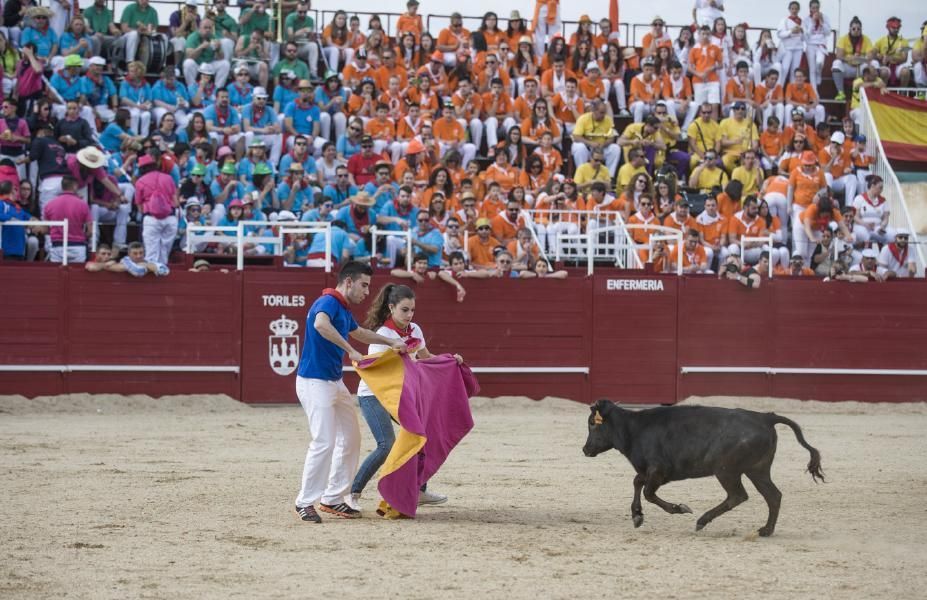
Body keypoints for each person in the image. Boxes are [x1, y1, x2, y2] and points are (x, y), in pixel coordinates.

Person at [293, 261, 408, 523]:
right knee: (324, 441)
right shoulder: (330, 301)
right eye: (364, 285)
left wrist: (390, 340)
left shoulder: (342, 309)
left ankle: (333, 498)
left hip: (333, 382)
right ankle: (304, 501)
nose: (367, 292)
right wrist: (351, 350)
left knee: (351, 438)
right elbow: (321, 325)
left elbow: (361, 333)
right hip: (314, 382)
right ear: (348, 282)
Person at [135, 153, 178, 265]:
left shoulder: (140, 181)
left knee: (151, 253)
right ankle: (163, 273)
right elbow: (176, 202)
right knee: (164, 252)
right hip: (170, 218)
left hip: (151, 218)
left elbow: (139, 205)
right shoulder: (168, 178)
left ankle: (152, 279)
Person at [43, 175, 91, 263]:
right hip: (78, 246)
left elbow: (45, 230)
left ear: (62, 187)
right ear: (75, 186)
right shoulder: (83, 205)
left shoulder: (49, 205)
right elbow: (90, 231)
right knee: (78, 275)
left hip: (57, 246)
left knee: (56, 275)